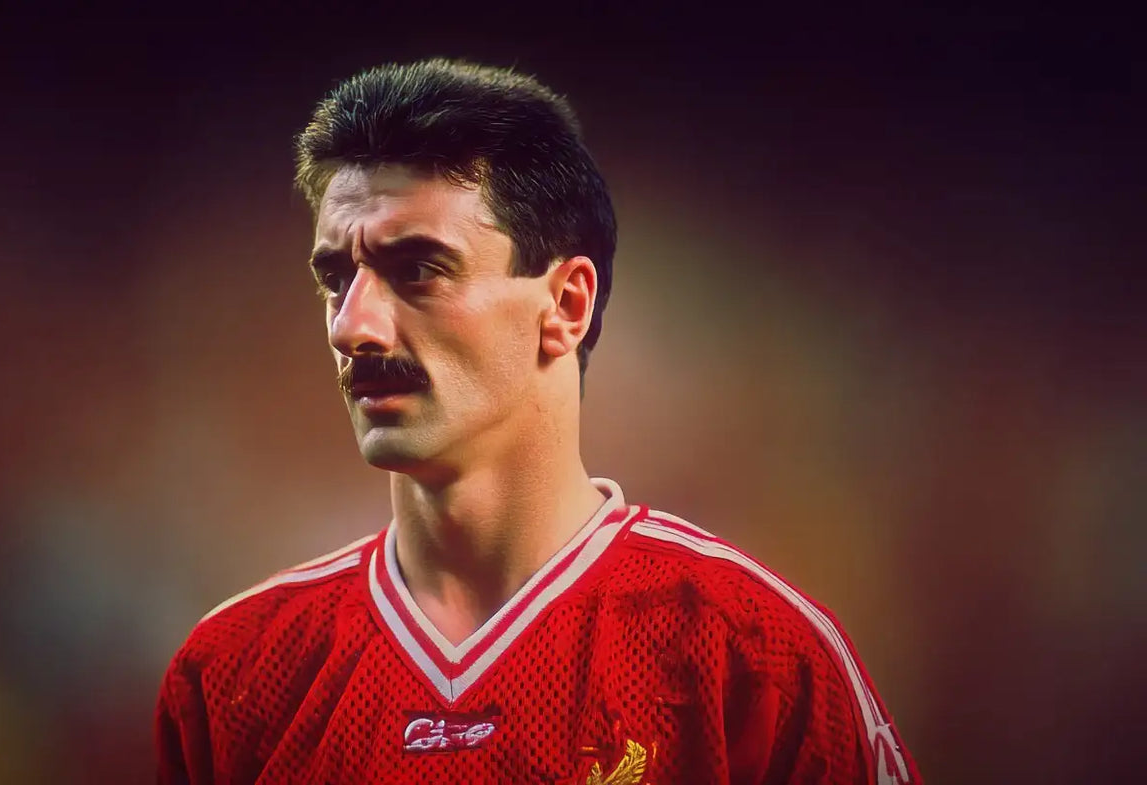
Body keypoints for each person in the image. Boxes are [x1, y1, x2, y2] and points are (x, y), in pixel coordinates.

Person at [155, 58, 922, 785]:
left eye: (417, 267)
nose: (352, 326)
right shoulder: (233, 676)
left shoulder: (753, 656)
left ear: (566, 304)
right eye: (336, 277)